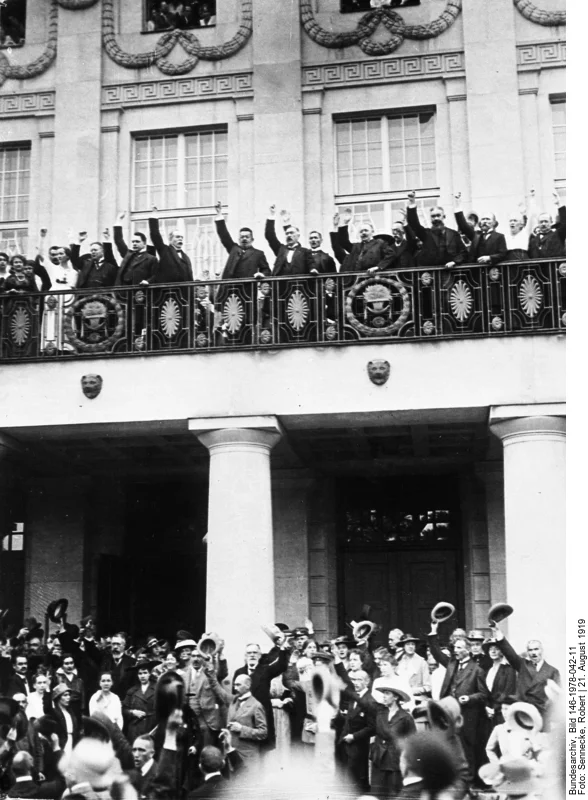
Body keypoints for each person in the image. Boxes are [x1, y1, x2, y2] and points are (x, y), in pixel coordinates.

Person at [427, 619, 489, 780]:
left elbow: (483, 695)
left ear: (467, 650)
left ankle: (468, 782)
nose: (456, 650)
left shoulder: (477, 670)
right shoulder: (452, 665)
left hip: (468, 716)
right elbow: (436, 652)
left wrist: (469, 698)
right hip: (450, 715)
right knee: (451, 747)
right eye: (455, 647)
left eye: (459, 648)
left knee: (467, 749)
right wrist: (433, 631)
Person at [492, 622, 560, 719]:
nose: (533, 653)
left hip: (541, 716)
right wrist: (497, 631)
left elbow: (556, 698)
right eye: (530, 650)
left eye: (536, 649)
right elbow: (509, 653)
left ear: (542, 650)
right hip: (522, 713)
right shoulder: (522, 665)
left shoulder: (552, 671)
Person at [232, 639, 290, 749]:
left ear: (259, 655)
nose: (252, 655)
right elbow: (234, 695)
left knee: (263, 749)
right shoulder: (239, 672)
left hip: (262, 717)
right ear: (245, 656)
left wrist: (282, 648)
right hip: (245, 717)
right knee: (246, 747)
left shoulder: (265, 670)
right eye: (249, 653)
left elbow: (281, 666)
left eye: (255, 652)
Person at [369, 679, 416, 798]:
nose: (383, 696)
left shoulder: (405, 717)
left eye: (387, 693)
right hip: (379, 758)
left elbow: (412, 740)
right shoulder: (380, 712)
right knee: (377, 792)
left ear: (395, 697)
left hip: (394, 760)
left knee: (392, 793)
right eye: (383, 693)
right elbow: (364, 701)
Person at [406, 191, 467, 268]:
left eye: (438, 215)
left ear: (444, 217)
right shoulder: (425, 234)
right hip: (431, 273)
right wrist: (412, 202)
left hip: (450, 272)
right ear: (430, 218)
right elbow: (413, 224)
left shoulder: (454, 234)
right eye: (433, 216)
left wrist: (454, 262)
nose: (436, 218)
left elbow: (463, 253)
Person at [339, 669, 377, 792]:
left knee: (357, 781)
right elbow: (348, 721)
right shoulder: (354, 698)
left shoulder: (370, 701)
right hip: (346, 745)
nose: (355, 683)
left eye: (359, 680)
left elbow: (372, 728)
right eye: (354, 680)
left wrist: (354, 736)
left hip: (359, 747)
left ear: (367, 682)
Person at [214, 202, 270, 281]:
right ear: (239, 239)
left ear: (252, 239)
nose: (244, 239)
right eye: (242, 237)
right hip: (230, 286)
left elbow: (266, 270)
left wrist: (261, 274)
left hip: (247, 287)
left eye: (247, 237)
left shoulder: (258, 254)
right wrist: (219, 214)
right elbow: (224, 235)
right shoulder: (233, 249)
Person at [453, 194, 507, 266]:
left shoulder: (499, 236)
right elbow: (463, 225)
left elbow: (503, 254)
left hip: (492, 270)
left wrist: (489, 258)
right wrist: (457, 204)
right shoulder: (476, 235)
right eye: (483, 219)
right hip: (476, 270)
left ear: (494, 223)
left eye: (488, 219)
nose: (485, 221)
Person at [264, 206, 314, 276]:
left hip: (299, 282)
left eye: (292, 233)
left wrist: (313, 269)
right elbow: (270, 236)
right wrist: (272, 215)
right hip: (280, 282)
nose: (289, 235)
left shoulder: (305, 251)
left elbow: (311, 265)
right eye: (287, 234)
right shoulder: (280, 249)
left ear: (298, 236)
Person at [113, 212, 159, 287]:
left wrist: (148, 281)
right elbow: (119, 241)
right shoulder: (128, 254)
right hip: (124, 291)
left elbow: (156, 275)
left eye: (137, 241)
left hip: (140, 291)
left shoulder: (151, 258)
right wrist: (119, 220)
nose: (134, 244)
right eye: (133, 242)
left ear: (144, 243)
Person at [149, 212, 194, 283]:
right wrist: (154, 217)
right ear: (170, 239)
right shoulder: (165, 250)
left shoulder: (186, 257)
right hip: (169, 289)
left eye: (181, 237)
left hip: (184, 289)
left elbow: (190, 277)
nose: (180, 239)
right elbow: (155, 235)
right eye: (177, 237)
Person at [483, 641, 518, 726]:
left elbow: (508, 692)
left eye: (497, 649)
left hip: (502, 711)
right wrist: (487, 707)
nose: (493, 651)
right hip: (489, 712)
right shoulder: (489, 670)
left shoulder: (509, 669)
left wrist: (494, 708)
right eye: (491, 649)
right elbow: (486, 691)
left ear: (502, 651)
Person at [122, 660, 156, 743]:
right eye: (140, 673)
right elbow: (123, 710)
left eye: (145, 673)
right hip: (135, 728)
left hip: (151, 727)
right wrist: (132, 712)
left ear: (149, 674)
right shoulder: (132, 691)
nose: (142, 676)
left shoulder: (157, 689)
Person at [528, 191, 566, 259]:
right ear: (538, 224)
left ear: (551, 222)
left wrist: (559, 203)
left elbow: (565, 223)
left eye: (546, 221)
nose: (543, 224)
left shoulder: (558, 235)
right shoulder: (533, 240)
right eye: (541, 222)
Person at [504, 189, 537, 260]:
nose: (512, 222)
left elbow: (531, 216)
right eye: (511, 221)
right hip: (508, 260)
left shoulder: (525, 233)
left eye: (515, 221)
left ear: (521, 224)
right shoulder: (505, 236)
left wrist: (532, 199)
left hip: (522, 259)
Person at [396, 634, 431, 699]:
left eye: (413, 644)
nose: (410, 646)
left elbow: (428, 687)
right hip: (402, 698)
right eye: (408, 644)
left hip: (417, 698)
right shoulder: (399, 662)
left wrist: (413, 690)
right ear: (403, 646)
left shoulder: (422, 662)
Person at [54, 654, 85, 724]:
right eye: (66, 663)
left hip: (77, 709)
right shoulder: (58, 678)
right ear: (62, 665)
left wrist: (82, 711)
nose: (69, 666)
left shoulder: (79, 679)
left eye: (71, 663)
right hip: (64, 707)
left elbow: (83, 697)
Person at [51, 684, 79, 754]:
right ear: (58, 697)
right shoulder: (54, 713)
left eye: (69, 695)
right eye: (65, 695)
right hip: (62, 744)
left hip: (72, 742)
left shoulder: (71, 712)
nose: (68, 697)